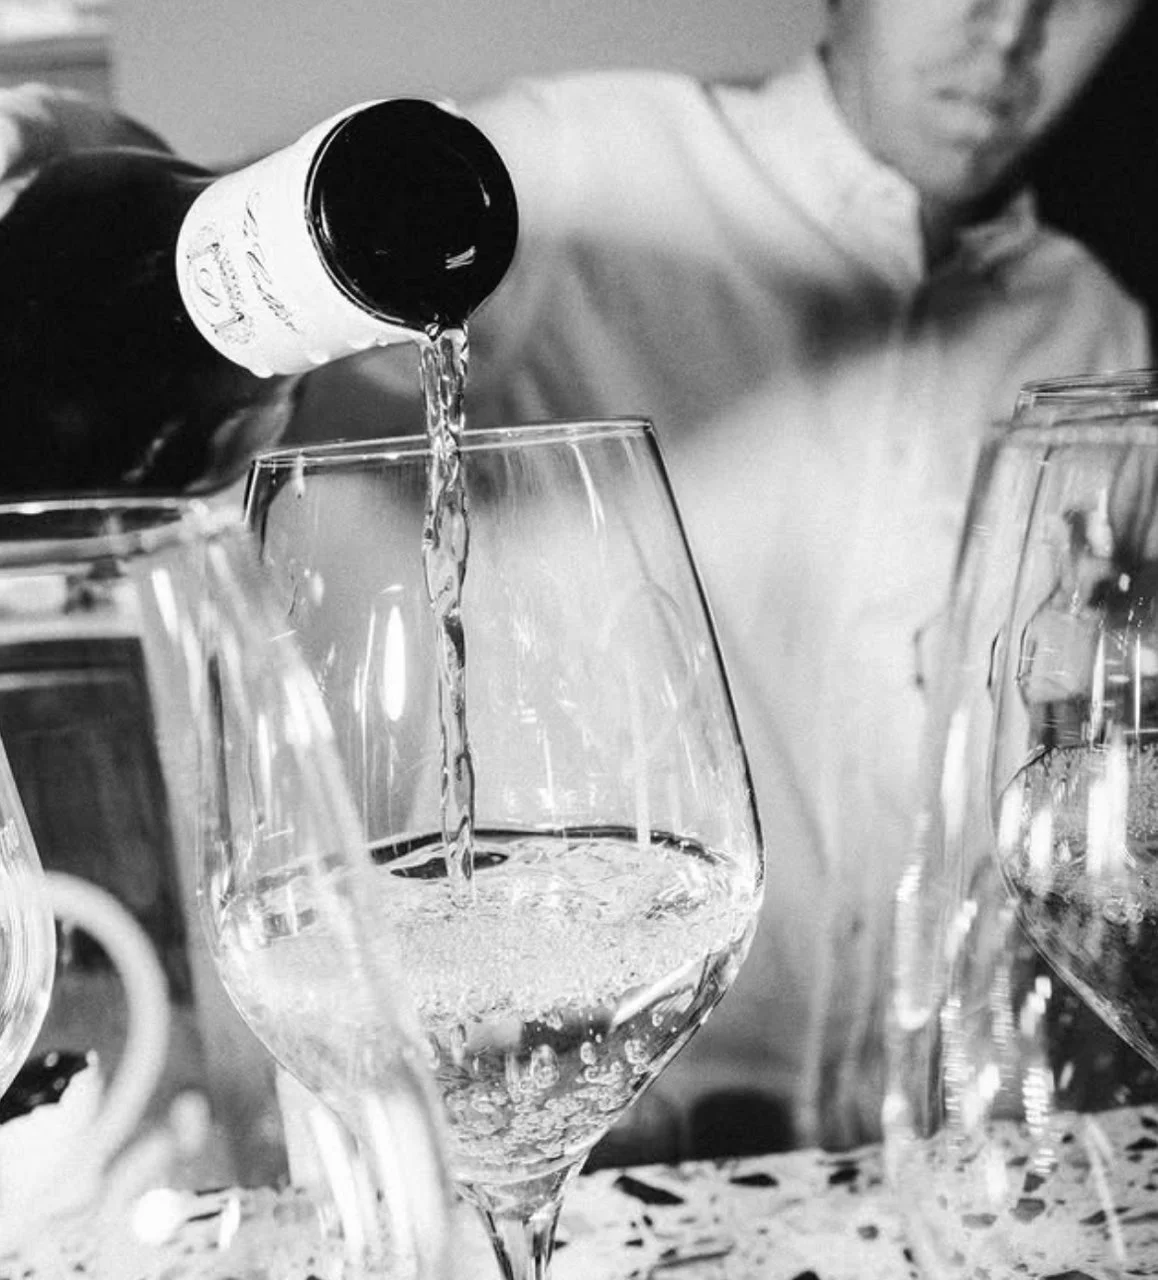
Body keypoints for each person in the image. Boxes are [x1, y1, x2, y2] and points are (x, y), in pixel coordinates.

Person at [1, 0, 1152, 1162]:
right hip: (545, 1128)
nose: (1010, 32)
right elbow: (237, 412)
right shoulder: (568, 175)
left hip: (932, 1148)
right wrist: (143, 234)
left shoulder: (1096, 330)